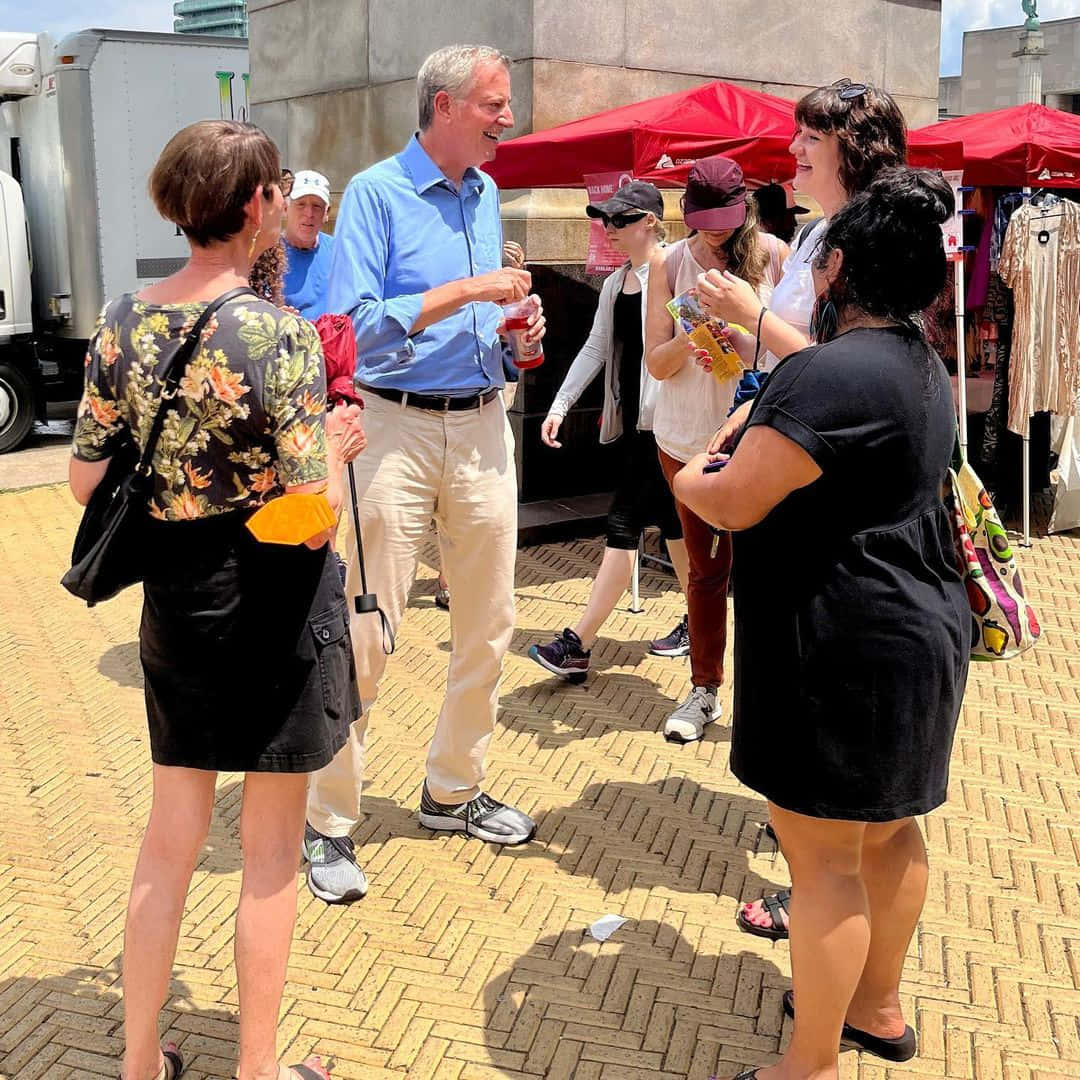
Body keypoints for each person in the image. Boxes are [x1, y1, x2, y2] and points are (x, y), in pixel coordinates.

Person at [69, 121, 366, 1080]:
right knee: (270, 855)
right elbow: (310, 516)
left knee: (168, 844)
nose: (279, 202)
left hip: (177, 603)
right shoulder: (279, 335)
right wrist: (336, 449)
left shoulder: (121, 320)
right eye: (274, 189)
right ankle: (258, 1068)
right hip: (273, 605)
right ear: (254, 206)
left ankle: (139, 1061)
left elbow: (83, 483)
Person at [673, 167, 969, 1080]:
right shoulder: (927, 367)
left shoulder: (823, 375)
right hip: (920, 631)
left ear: (837, 268)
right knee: (890, 832)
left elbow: (733, 501)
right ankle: (876, 1007)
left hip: (838, 644)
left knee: (824, 862)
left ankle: (808, 1064)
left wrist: (693, 476)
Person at [302, 44, 546, 904]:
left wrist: (515, 335)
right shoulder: (375, 194)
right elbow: (351, 328)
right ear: (444, 106)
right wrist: (472, 290)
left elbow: (485, 323)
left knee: (490, 623)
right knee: (366, 629)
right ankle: (327, 819)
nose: (508, 118)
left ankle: (453, 789)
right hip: (394, 428)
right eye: (494, 104)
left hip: (482, 422)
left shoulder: (486, 192)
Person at [696, 77, 909, 939]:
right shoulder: (820, 232)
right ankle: (822, 885)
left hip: (824, 495)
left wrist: (752, 317)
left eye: (809, 141)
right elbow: (799, 360)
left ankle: (820, 899)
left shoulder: (874, 241)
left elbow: (843, 369)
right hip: (784, 463)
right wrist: (739, 347)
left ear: (851, 150)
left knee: (829, 726)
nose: (792, 153)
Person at [643, 155, 786, 743]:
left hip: (759, 435)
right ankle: (704, 687)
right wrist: (692, 335)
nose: (715, 235)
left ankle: (772, 694)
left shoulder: (774, 255)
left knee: (770, 570)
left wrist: (741, 331)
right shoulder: (668, 262)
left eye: (724, 222)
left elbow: (793, 349)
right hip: (685, 438)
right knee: (705, 570)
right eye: (703, 223)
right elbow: (656, 362)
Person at [528, 181, 691, 681]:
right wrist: (560, 404)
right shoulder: (617, 283)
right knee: (673, 525)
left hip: (667, 425)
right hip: (636, 424)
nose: (609, 229)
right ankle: (701, 619)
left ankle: (579, 643)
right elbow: (596, 347)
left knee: (623, 524)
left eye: (620, 220)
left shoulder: (677, 272)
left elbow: (701, 342)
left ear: (650, 222)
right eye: (605, 220)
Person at [283, 169, 335, 319]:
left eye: (316, 206)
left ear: (327, 213)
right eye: (301, 204)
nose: (309, 214)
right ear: (286, 208)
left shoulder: (340, 253)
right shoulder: (267, 257)